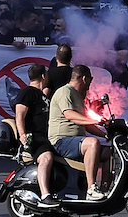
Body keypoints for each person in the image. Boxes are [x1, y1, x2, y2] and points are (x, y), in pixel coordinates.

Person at [48, 65, 111, 201]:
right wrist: (96, 120)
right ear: (84, 79)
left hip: (75, 141)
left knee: (109, 153)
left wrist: (105, 135)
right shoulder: (65, 92)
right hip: (61, 141)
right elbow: (69, 115)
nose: (90, 84)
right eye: (90, 80)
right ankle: (91, 189)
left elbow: (86, 125)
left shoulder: (77, 96)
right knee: (92, 143)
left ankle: (105, 190)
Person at [15, 64, 58, 209]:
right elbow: (19, 115)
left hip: (47, 136)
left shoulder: (42, 95)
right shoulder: (27, 92)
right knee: (46, 157)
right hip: (35, 137)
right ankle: (45, 196)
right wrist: (22, 135)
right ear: (43, 76)